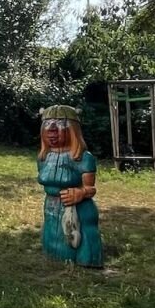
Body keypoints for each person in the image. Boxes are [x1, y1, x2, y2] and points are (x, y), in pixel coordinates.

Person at [37, 105, 103, 268]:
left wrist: (80, 192)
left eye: (60, 123)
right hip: (51, 206)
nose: (52, 129)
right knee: (53, 236)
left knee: (79, 239)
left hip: (76, 209)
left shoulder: (82, 158)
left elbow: (90, 188)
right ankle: (53, 254)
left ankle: (86, 260)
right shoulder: (43, 157)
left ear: (73, 129)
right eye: (47, 124)